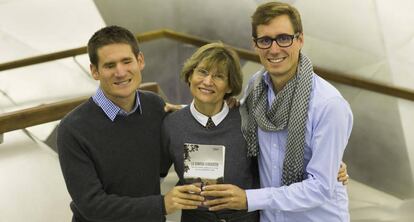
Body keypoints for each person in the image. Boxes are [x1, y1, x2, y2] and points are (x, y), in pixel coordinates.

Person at [201, 2, 353, 222]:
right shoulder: (256, 87)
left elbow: (320, 187)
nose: (274, 49)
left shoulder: (329, 105)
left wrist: (248, 199)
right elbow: (233, 116)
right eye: (265, 40)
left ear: (300, 39)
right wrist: (181, 110)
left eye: (284, 38)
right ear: (255, 44)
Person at [57, 25, 203, 222]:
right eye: (110, 65)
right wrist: (162, 205)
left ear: (140, 60)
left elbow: (163, 163)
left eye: (127, 61)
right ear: (94, 71)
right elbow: (92, 205)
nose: (120, 72)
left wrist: (220, 107)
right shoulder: (72, 129)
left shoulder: (155, 105)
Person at [161, 42, 260, 222]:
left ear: (229, 86)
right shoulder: (171, 124)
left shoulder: (248, 121)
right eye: (202, 72)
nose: (208, 81)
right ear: (190, 75)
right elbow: (155, 177)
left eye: (219, 76)